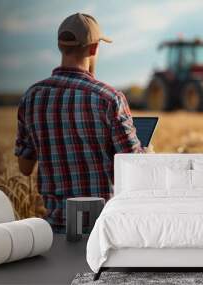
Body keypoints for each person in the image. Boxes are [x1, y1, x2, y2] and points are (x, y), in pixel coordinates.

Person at [14, 13, 149, 233]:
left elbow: (25, 167)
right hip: (104, 229)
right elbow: (135, 169)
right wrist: (148, 153)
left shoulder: (32, 96)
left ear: (60, 46)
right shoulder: (109, 98)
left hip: (56, 229)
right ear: (94, 49)